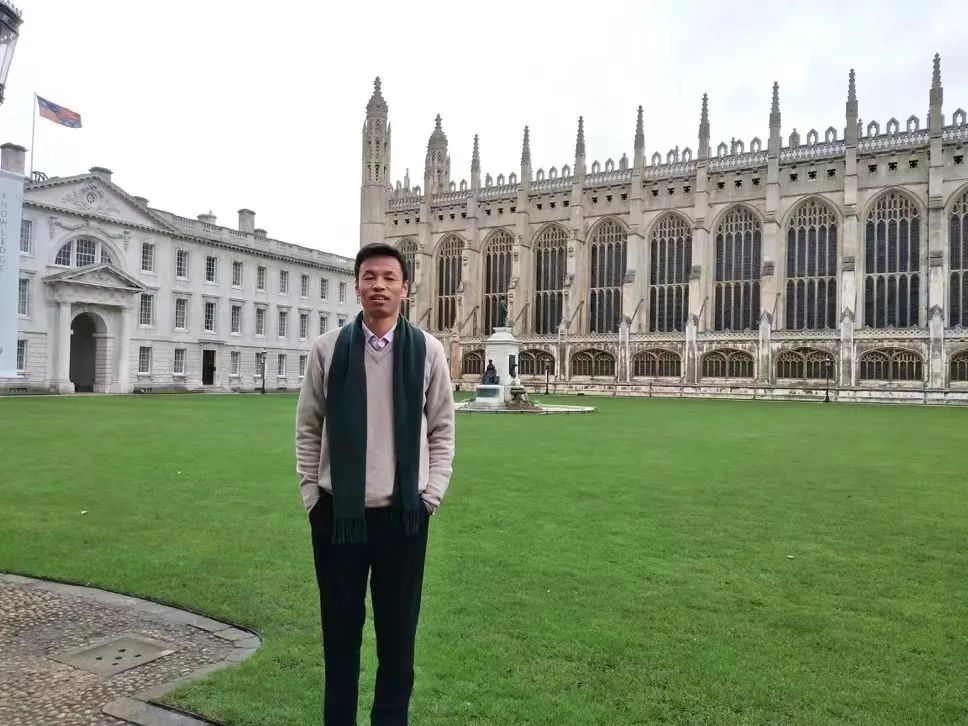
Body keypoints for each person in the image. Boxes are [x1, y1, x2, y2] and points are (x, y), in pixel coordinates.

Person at [295, 242, 456, 725]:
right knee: (340, 640)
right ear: (357, 286)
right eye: (370, 277)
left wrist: (431, 497)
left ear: (405, 288)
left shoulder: (428, 351)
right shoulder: (327, 349)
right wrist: (312, 498)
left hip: (403, 518)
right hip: (337, 517)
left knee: (398, 644)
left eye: (389, 277)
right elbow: (308, 427)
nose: (379, 286)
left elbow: (442, 429)